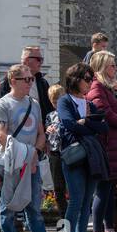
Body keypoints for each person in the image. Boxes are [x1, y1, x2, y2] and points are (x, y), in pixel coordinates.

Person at [0, 63, 62, 232]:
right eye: (27, 79)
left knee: (34, 206)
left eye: (32, 79)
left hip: (31, 162)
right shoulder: (3, 104)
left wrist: (36, 152)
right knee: (7, 207)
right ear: (13, 81)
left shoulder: (34, 103)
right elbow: (0, 135)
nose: (30, 83)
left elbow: (41, 133)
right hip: (11, 162)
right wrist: (25, 154)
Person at [57, 63, 106, 232]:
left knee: (87, 201)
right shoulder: (64, 101)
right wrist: (89, 126)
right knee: (75, 200)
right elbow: (67, 123)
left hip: (91, 156)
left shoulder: (89, 104)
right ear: (75, 79)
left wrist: (84, 123)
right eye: (86, 79)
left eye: (91, 79)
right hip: (74, 155)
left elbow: (104, 127)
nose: (89, 83)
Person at [87, 50, 117, 232]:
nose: (116, 68)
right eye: (112, 65)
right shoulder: (96, 86)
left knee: (110, 191)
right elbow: (103, 112)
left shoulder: (109, 88)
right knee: (103, 191)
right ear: (103, 66)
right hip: (105, 144)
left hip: (114, 143)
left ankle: (109, 230)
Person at [0, 44, 54, 122]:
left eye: (42, 59)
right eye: (39, 59)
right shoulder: (8, 82)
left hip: (40, 129)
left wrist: (49, 125)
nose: (41, 62)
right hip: (17, 129)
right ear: (27, 60)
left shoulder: (43, 83)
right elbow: (3, 111)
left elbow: (49, 108)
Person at [45, 83, 68, 216]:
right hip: (55, 153)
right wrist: (47, 129)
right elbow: (47, 130)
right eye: (53, 102)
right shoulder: (50, 116)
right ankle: (62, 214)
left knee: (71, 185)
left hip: (68, 151)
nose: (55, 104)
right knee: (58, 186)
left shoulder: (69, 113)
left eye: (58, 101)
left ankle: (74, 213)